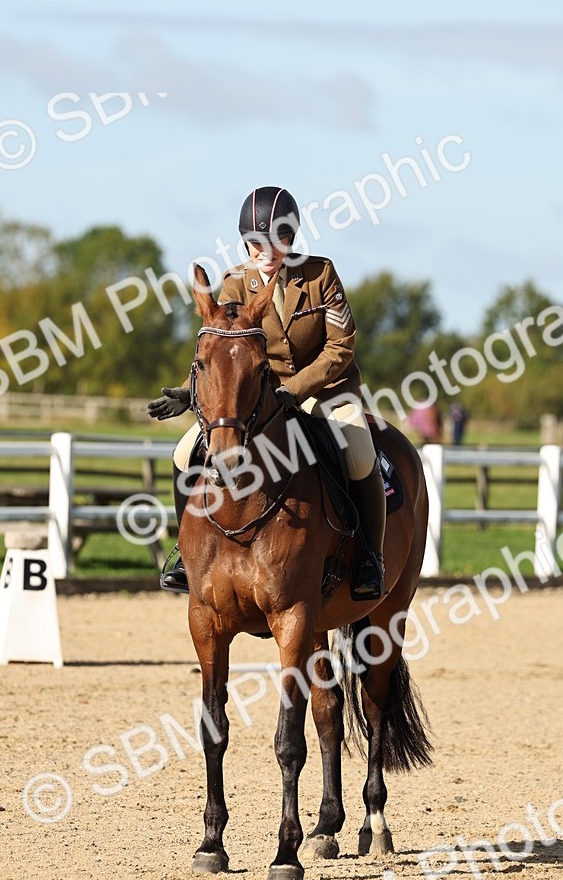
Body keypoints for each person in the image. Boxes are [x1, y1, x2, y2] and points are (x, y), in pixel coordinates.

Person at [147, 185, 386, 601]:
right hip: (261, 396)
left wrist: (295, 390)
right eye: (256, 242)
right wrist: (189, 392)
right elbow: (224, 352)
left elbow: (340, 346)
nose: (267, 250)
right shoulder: (235, 283)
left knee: (361, 452)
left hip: (326, 390)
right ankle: (186, 554)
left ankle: (370, 556)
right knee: (185, 453)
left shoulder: (320, 275)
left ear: (292, 237)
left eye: (280, 239)